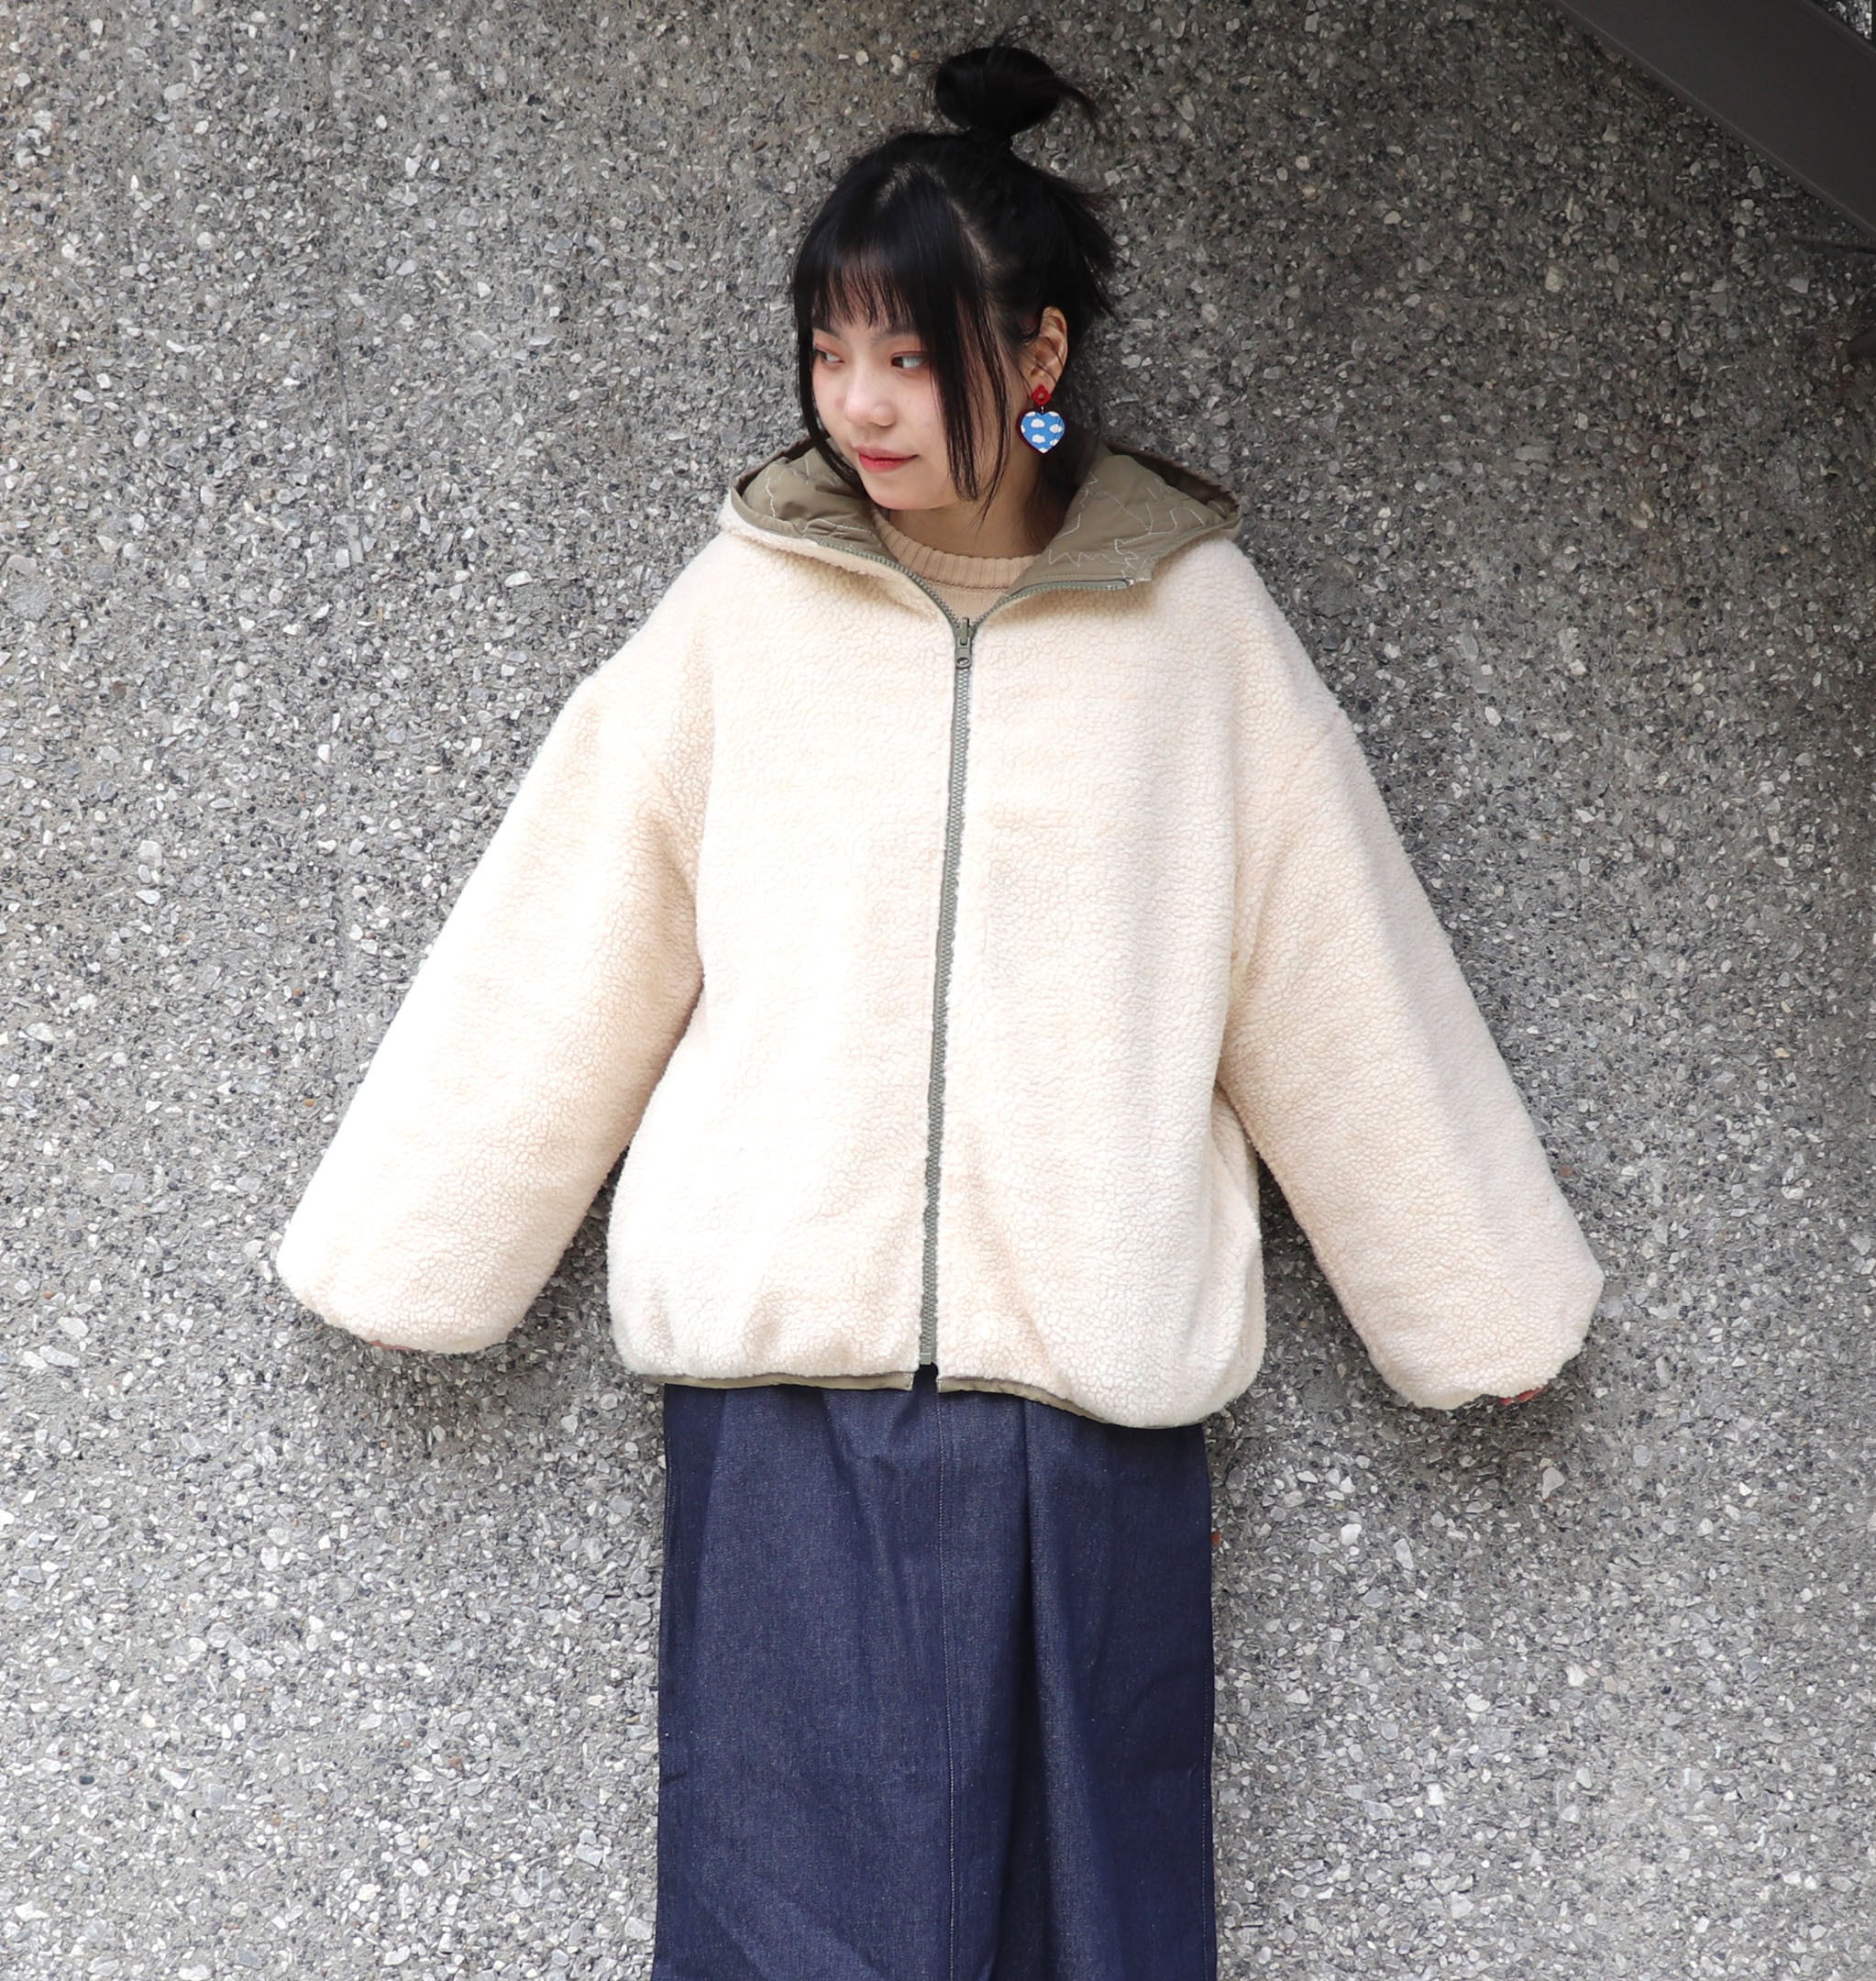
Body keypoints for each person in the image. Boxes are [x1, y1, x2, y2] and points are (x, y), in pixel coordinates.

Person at [274, 41, 1602, 1981]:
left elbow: (1335, 960)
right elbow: (574, 915)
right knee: (789, 1933)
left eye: (910, 355)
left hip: (1088, 1421)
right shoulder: (743, 610)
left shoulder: (1197, 632)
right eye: (832, 353)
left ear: (1040, 356)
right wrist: (417, 1250)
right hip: (784, 1429)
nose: (861, 404)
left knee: (1089, 1929)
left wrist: (1476, 1300)